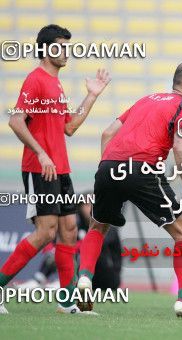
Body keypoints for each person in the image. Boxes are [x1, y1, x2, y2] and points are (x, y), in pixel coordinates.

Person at [76, 62, 182, 320]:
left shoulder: (146, 100)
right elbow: (180, 145)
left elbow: (107, 132)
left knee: (97, 226)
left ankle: (85, 280)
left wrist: (108, 174)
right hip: (142, 168)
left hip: (108, 166)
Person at [0, 24, 110, 315]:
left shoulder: (56, 84)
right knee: (46, 232)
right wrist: (41, 153)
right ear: (47, 48)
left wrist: (92, 95)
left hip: (61, 169)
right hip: (41, 168)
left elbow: (69, 127)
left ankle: (67, 301)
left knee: (69, 231)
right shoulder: (35, 80)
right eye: (61, 46)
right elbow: (15, 121)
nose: (66, 52)